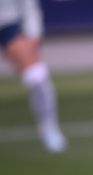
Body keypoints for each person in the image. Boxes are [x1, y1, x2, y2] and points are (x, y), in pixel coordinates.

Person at [0, 0, 66, 153]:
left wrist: (33, 33)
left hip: (5, 23)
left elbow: (28, 4)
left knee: (36, 75)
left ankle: (49, 128)